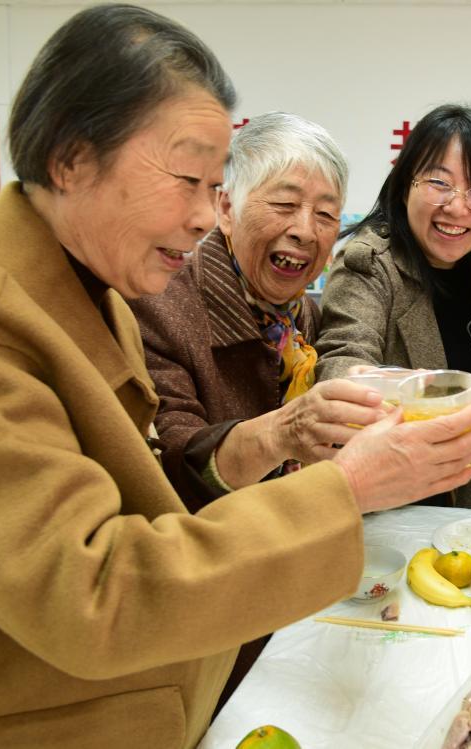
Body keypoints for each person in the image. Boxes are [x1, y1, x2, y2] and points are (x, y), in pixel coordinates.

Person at [0, 5, 471, 746]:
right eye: (190, 179)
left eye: (215, 185)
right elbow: (96, 592)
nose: (206, 216)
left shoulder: (95, 288)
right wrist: (349, 484)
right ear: (72, 158)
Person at [128, 111, 382, 713]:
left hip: (284, 585)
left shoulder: (302, 320)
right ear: (224, 208)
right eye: (284, 204)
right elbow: (172, 471)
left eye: (326, 215)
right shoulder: (161, 303)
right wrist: (286, 433)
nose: (305, 231)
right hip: (202, 613)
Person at [314, 103, 471, 509]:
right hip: (389, 517)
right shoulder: (370, 265)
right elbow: (342, 359)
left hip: (459, 510)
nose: (458, 207)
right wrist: (376, 384)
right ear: (405, 182)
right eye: (439, 183)